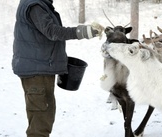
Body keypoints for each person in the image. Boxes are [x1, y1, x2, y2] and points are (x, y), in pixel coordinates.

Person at [12, 0, 103, 136]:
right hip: (37, 71)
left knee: (44, 115)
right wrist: (82, 32)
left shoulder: (40, 4)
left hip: (40, 68)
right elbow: (52, 32)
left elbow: (42, 38)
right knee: (40, 120)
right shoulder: (35, 6)